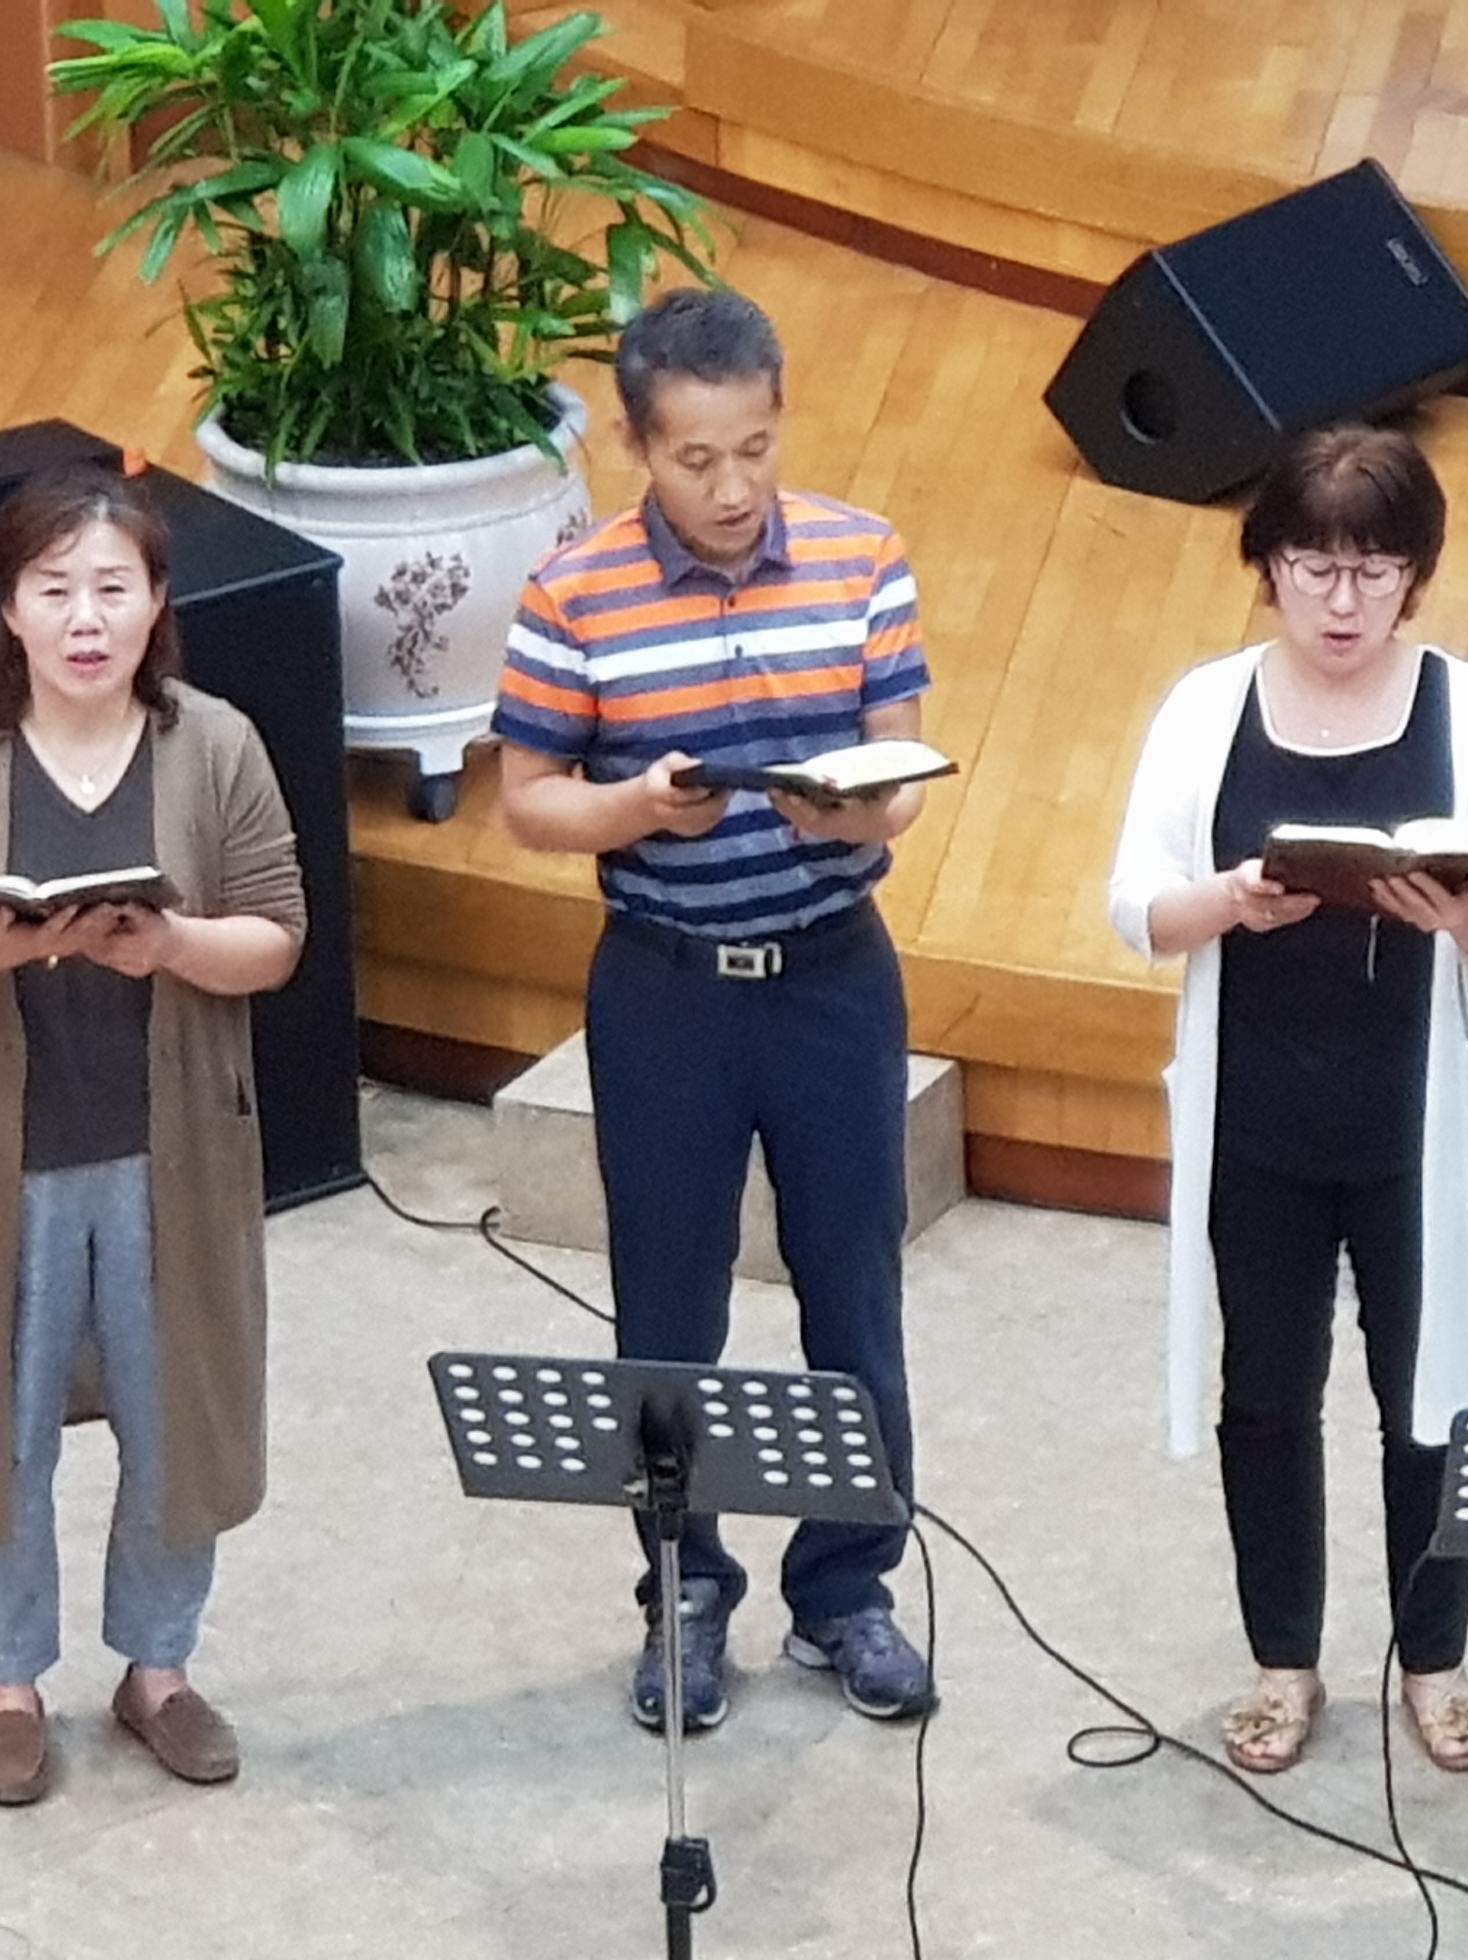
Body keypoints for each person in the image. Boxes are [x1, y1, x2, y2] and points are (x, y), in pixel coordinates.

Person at [491, 286, 937, 1733]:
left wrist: (856, 810)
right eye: (696, 459)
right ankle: (682, 1589)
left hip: (832, 977)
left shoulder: (864, 557)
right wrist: (633, 807)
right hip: (666, 986)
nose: (733, 487)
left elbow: (900, 768)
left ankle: (847, 1590)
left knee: (853, 1293)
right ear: (636, 445)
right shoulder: (573, 593)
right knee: (667, 1307)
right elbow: (529, 802)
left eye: (755, 449)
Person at [0, 466, 307, 1808]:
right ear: (9, 606)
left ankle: (157, 1671)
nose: (85, 619)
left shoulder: (213, 743)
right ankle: (6, 1687)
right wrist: (2, 944)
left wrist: (167, 944)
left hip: (175, 1147)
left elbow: (276, 935)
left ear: (157, 600)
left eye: (113, 588)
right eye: (54, 590)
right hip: (3, 1150)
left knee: (180, 1425)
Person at [1105, 426, 1468, 1776]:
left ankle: (1436, 1659)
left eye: (1374, 570)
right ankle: (1282, 1660)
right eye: (1315, 566)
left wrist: (1462, 918)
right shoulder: (1206, 709)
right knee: (1266, 1394)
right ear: (1269, 567)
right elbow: (1138, 908)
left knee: (1432, 1398)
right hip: (1260, 1119)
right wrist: (1229, 901)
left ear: (1415, 575)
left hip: (1416, 1124)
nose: (1343, 601)